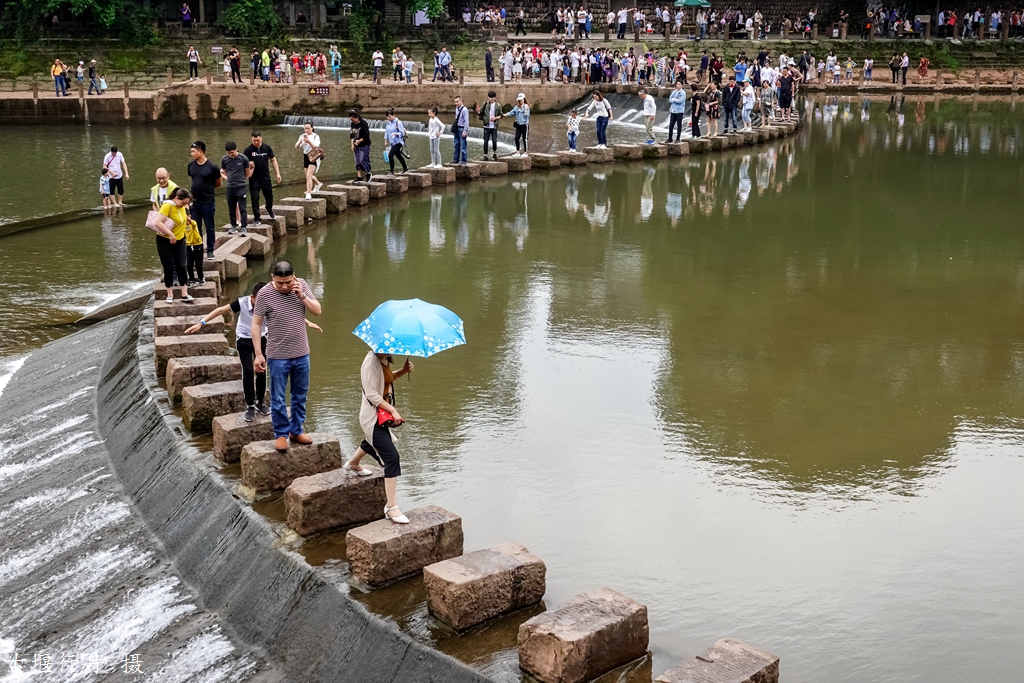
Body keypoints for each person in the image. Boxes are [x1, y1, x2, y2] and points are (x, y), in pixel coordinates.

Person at [252, 260, 322, 453]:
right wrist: (258, 354)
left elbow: (317, 311)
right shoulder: (265, 293)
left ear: (294, 277)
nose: (285, 287)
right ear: (272, 278)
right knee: (278, 398)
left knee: (300, 395)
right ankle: (281, 434)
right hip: (277, 355)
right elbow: (256, 324)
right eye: (280, 283)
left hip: (301, 353)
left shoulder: (301, 286)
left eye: (288, 282)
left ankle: (296, 430)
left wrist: (302, 297)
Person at [344, 352, 415, 524]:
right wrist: (392, 410)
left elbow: (385, 380)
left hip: (380, 415)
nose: (393, 349)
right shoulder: (370, 361)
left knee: (372, 442)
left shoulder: (383, 358)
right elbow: (371, 394)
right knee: (392, 457)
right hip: (372, 417)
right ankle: (391, 507)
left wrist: (403, 371)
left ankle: (353, 464)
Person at [186, 283, 274, 422]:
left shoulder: (270, 304)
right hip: (244, 340)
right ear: (252, 297)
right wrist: (201, 323)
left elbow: (284, 315)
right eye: (259, 300)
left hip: (262, 339)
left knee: (262, 371)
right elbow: (221, 310)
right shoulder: (242, 302)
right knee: (248, 371)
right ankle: (250, 405)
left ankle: (260, 402)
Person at [154, 188, 195, 304]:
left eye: (186, 204)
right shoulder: (168, 206)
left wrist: (186, 221)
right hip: (165, 240)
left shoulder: (182, 207)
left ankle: (184, 293)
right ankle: (169, 294)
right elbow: (158, 222)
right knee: (168, 267)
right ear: (177, 198)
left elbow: (179, 219)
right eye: (183, 203)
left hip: (180, 240)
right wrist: (170, 234)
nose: (184, 205)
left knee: (182, 265)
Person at [188, 141, 220, 258]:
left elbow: (218, 183)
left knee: (209, 226)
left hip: (208, 201)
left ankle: (210, 249)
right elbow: (193, 180)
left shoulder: (212, 167)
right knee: (195, 226)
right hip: (195, 202)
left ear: (200, 151)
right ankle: (198, 248)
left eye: (193, 151)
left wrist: (207, 189)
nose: (191, 154)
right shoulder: (191, 166)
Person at [244, 131, 280, 225]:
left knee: (269, 197)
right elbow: (243, 164)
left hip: (265, 177)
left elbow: (273, 160)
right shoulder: (248, 150)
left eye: (257, 140)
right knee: (255, 198)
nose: (256, 142)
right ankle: (257, 218)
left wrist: (277, 173)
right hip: (254, 179)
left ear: (261, 138)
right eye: (254, 140)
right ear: (251, 139)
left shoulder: (267, 148)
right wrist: (249, 166)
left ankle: (269, 208)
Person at [221, 141, 250, 235]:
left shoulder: (243, 158)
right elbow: (224, 171)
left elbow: (247, 172)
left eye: (232, 152)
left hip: (241, 186)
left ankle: (244, 227)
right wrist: (228, 179)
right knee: (231, 208)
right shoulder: (225, 159)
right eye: (228, 153)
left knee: (242, 208)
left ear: (236, 149)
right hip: (230, 187)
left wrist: (240, 179)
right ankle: (233, 226)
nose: (230, 154)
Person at [295, 121, 322, 200]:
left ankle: (308, 193)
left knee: (308, 176)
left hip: (313, 156)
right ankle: (318, 183)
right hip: (305, 156)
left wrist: (309, 142)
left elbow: (316, 147)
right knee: (307, 174)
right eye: (305, 128)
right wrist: (300, 142)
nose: (306, 130)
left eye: (308, 128)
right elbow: (296, 146)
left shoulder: (315, 136)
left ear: (312, 128)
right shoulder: (302, 136)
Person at [476, 91, 504, 161]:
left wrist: (495, 118)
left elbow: (501, 115)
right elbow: (481, 113)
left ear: (495, 97)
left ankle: (494, 153)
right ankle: (485, 155)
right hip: (486, 126)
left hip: (494, 126)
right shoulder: (485, 104)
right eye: (490, 97)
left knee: (494, 141)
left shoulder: (498, 105)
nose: (491, 99)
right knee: (485, 142)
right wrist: (478, 111)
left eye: (492, 97)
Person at [382, 108, 409, 175]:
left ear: (394, 115)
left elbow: (402, 133)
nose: (388, 118)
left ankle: (391, 171)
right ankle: (405, 168)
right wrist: (386, 140)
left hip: (398, 142)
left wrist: (396, 134)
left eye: (389, 116)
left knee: (390, 155)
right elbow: (387, 132)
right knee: (398, 156)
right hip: (392, 142)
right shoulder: (388, 123)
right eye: (387, 117)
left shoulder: (398, 122)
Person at [349, 109, 372, 182]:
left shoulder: (363, 123)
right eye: (351, 120)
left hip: (364, 145)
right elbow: (352, 135)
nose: (352, 121)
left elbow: (367, 134)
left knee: (363, 160)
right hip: (356, 145)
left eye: (353, 119)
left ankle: (368, 173)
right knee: (357, 161)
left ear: (357, 117)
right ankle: (359, 177)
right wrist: (352, 144)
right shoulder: (353, 124)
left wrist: (359, 141)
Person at [452, 95, 470, 164]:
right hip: (457, 128)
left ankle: (463, 160)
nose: (456, 103)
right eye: (455, 102)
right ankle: (456, 159)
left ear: (461, 101)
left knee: (463, 146)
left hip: (462, 129)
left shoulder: (464, 110)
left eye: (457, 102)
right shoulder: (456, 109)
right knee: (456, 145)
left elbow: (466, 121)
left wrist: (465, 131)